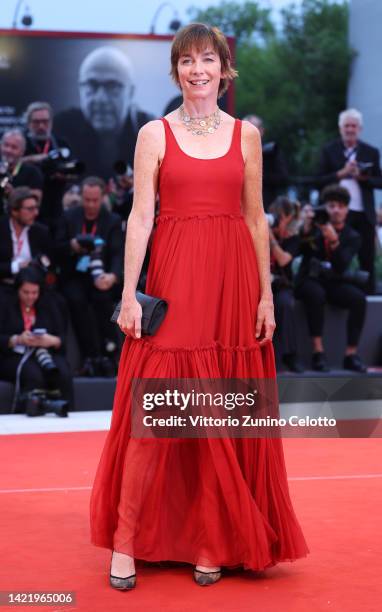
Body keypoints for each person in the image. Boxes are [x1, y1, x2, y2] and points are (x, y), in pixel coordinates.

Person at [89, 23, 309, 590]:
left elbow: (256, 219)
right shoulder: (153, 134)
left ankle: (212, 540)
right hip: (175, 281)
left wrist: (265, 294)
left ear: (223, 67)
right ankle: (125, 541)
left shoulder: (247, 136)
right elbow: (140, 218)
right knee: (155, 414)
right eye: (186, 61)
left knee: (218, 414)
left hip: (232, 286)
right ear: (176, 70)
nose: (197, 70)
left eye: (207, 59)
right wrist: (127, 296)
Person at [55, 176, 123, 377]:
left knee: (103, 299)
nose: (91, 205)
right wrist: (72, 246)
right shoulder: (69, 217)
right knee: (76, 300)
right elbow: (56, 247)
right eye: (87, 200)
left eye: (95, 200)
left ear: (103, 198)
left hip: (102, 274)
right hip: (75, 274)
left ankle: (110, 352)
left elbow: (118, 252)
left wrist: (113, 276)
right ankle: (90, 356)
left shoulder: (112, 220)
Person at [295, 185, 367, 372]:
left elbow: (341, 266)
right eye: (332, 206)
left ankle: (351, 354)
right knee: (316, 294)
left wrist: (334, 241)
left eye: (340, 206)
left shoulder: (352, 236)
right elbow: (298, 251)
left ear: (346, 209)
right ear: (325, 207)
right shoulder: (315, 227)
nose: (336, 210)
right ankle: (318, 352)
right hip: (310, 279)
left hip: (334, 280)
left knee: (358, 299)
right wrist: (306, 228)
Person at [54, 47, 155, 179]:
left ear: (130, 92)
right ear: (80, 89)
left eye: (112, 86)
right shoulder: (61, 129)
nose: (101, 99)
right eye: (92, 85)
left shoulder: (151, 132)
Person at [317, 108, 382, 294]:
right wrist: (341, 174)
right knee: (336, 256)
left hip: (364, 213)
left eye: (353, 126)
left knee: (367, 257)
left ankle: (368, 298)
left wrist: (363, 178)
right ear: (340, 128)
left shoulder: (371, 152)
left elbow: (379, 180)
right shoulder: (330, 150)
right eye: (347, 126)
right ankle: (336, 293)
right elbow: (317, 179)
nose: (350, 129)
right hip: (338, 213)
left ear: (359, 129)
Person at [0, 267, 73, 416]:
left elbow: (62, 339)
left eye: (34, 293)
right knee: (32, 373)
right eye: (25, 292)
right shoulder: (5, 304)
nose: (30, 297)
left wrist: (52, 340)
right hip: (14, 355)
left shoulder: (49, 305)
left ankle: (66, 412)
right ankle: (31, 413)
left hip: (46, 353)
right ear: (17, 290)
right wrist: (17, 339)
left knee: (62, 371)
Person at [23, 101, 72, 230]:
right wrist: (37, 159)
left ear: (51, 122)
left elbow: (70, 170)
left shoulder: (61, 143)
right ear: (29, 123)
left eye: (45, 121)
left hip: (56, 204)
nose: (41, 126)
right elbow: (13, 163)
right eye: (36, 122)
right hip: (27, 205)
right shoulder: (22, 143)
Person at [268, 196, 304, 372]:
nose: (275, 223)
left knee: (284, 304)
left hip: (282, 285)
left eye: (279, 218)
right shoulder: (257, 231)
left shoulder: (293, 238)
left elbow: (283, 260)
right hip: (260, 285)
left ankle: (290, 356)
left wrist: (269, 237)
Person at [0, 187, 53, 299]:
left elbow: (49, 260)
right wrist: (17, 266)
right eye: (30, 209)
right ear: (14, 211)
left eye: (36, 208)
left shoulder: (40, 231)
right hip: (5, 286)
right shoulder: (2, 229)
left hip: (33, 289)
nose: (36, 213)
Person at [243, 114, 288, 211]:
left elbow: (283, 178)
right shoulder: (235, 151)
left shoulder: (271, 152)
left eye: (253, 128)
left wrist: (259, 175)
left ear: (261, 131)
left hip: (266, 206)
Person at [0, 129, 43, 215]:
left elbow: (37, 201)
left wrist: (14, 194)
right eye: (6, 145)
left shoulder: (32, 172)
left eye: (14, 147)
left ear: (22, 152)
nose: (8, 150)